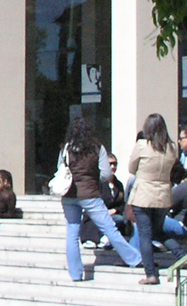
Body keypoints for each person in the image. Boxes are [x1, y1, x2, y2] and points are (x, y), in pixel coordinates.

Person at [55, 117, 144, 281]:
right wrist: (92, 178)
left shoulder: (66, 148)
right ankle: (135, 259)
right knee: (110, 228)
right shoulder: (97, 148)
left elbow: (61, 169)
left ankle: (76, 273)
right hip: (90, 195)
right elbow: (106, 174)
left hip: (69, 195)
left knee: (72, 233)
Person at [127, 114, 179, 285]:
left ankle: (151, 273)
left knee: (145, 235)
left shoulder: (142, 145)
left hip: (143, 194)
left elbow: (131, 168)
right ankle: (181, 255)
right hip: (163, 194)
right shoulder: (172, 147)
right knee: (157, 231)